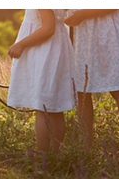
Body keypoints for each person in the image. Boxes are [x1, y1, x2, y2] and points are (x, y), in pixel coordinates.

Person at [65, 9, 119, 158]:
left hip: (106, 31)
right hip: (81, 33)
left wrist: (82, 14)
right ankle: (86, 148)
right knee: (82, 91)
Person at [7, 9, 75, 153]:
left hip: (45, 51)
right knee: (55, 108)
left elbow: (48, 28)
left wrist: (21, 44)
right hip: (54, 47)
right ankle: (56, 155)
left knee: (42, 108)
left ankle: (43, 156)